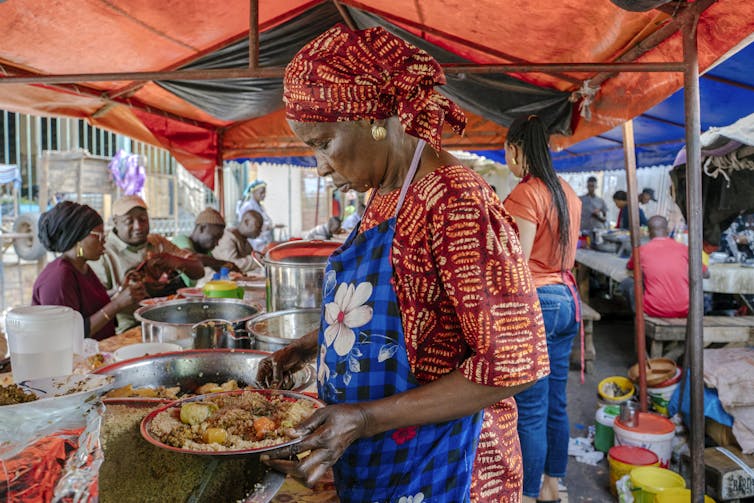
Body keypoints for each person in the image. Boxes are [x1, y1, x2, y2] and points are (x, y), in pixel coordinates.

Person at [257, 24, 548, 502]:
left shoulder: (454, 200)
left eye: (323, 143)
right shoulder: (386, 196)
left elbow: (517, 364)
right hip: (387, 458)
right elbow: (407, 317)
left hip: (448, 463)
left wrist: (367, 417)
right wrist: (310, 346)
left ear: (374, 118)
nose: (321, 166)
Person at [503, 115, 582, 503]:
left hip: (537, 303)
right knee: (555, 401)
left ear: (516, 148)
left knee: (530, 408)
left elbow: (515, 263)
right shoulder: (568, 192)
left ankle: (528, 495)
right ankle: (555, 484)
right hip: (567, 301)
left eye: (507, 151)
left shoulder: (525, 193)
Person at [32, 201, 146, 340]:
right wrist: (117, 304)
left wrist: (119, 293)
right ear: (78, 238)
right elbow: (69, 336)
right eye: (98, 235)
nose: (104, 239)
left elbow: (87, 306)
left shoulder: (82, 265)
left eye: (104, 233)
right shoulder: (58, 278)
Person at [91, 196, 204, 332]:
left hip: (169, 318)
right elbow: (96, 304)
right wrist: (120, 296)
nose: (138, 226)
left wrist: (175, 261)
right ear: (115, 222)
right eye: (129, 221)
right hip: (130, 327)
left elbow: (199, 270)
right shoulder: (103, 254)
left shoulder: (158, 242)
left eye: (143, 219)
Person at [620, 215, 708, 317]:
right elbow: (706, 274)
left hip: (654, 309)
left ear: (648, 232)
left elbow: (629, 267)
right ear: (668, 230)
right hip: (685, 309)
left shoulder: (641, 250)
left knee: (628, 283)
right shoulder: (683, 248)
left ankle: (640, 318)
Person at [172, 208, 239, 274]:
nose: (217, 244)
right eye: (215, 237)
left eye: (219, 239)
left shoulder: (204, 252)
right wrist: (223, 263)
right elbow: (190, 257)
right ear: (202, 228)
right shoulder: (181, 240)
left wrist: (234, 271)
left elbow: (219, 268)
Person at [212, 209, 264, 273]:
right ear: (247, 222)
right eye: (258, 227)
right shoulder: (228, 237)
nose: (260, 231)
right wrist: (256, 260)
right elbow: (231, 265)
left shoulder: (245, 242)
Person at [237, 179, 274, 251]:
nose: (264, 195)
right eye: (261, 192)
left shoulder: (260, 206)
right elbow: (245, 226)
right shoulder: (248, 207)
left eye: (265, 192)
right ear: (254, 192)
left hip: (263, 242)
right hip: (254, 243)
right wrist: (265, 227)